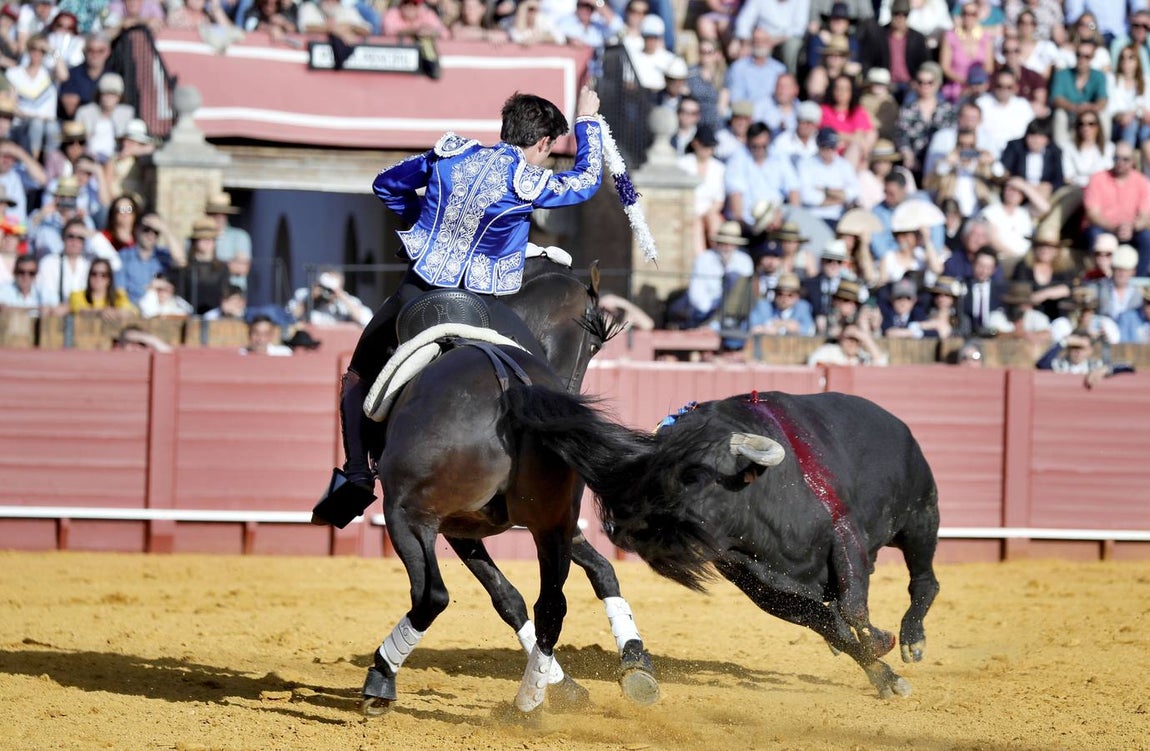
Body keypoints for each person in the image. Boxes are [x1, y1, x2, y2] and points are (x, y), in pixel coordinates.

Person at [318, 87, 605, 516]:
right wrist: (588, 123)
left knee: (359, 375)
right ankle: (552, 472)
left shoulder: (450, 155)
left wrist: (424, 228)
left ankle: (358, 472)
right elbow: (586, 182)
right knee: (541, 376)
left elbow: (385, 183)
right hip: (479, 301)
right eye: (548, 150)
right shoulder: (525, 178)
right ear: (543, 143)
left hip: (418, 291)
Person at [1082, 140, 1150, 276]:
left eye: (1125, 159)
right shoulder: (1097, 179)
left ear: (1132, 161)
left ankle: (1139, 281)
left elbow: (1145, 216)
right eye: (1116, 158)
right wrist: (1114, 227)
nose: (1120, 162)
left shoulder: (1142, 182)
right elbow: (1093, 214)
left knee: (1147, 238)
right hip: (1104, 227)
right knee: (1095, 234)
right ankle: (1099, 277)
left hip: (1131, 229)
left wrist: (1132, 227)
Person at [672, 219, 754, 330]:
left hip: (731, 313)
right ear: (718, 243)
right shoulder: (704, 259)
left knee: (734, 278)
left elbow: (743, 293)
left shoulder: (745, 261)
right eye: (724, 243)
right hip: (705, 311)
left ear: (736, 245)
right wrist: (710, 309)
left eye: (731, 243)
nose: (727, 247)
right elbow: (696, 292)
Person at [115, 211, 185, 306]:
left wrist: (165, 229)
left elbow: (181, 262)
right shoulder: (123, 256)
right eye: (146, 230)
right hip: (132, 313)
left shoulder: (164, 255)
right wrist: (149, 288)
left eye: (156, 231)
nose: (151, 235)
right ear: (137, 230)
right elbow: (119, 291)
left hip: (162, 312)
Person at [675, 124, 725, 254]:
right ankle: (701, 260)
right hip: (687, 210)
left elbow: (719, 200)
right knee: (696, 224)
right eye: (705, 145)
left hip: (709, 212)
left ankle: (718, 256)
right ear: (695, 143)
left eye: (710, 146)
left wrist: (707, 214)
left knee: (714, 220)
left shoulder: (719, 168)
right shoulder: (682, 164)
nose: (708, 149)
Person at [798, 127, 860, 227]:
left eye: (833, 147)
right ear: (818, 146)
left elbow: (854, 191)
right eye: (825, 147)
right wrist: (840, 198)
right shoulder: (806, 164)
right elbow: (807, 196)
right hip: (814, 218)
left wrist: (825, 190)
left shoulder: (844, 165)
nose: (830, 151)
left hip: (839, 218)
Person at [73, 72, 134, 164]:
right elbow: (75, 142)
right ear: (100, 94)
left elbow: (133, 141)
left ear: (120, 96)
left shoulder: (127, 113)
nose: (109, 98)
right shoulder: (85, 112)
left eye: (113, 94)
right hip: (89, 157)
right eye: (106, 93)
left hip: (115, 158)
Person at [288, 267, 373, 326]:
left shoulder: (347, 300)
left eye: (330, 289)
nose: (327, 292)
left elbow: (366, 320)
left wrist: (340, 295)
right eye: (324, 287)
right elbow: (288, 318)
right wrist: (309, 298)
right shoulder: (303, 295)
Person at [57, 32, 112, 122]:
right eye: (91, 50)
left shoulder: (112, 76)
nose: (95, 54)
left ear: (108, 52)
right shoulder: (73, 74)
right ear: (85, 51)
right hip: (77, 125)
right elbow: (71, 110)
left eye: (101, 50)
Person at [204, 191, 252, 291]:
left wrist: (208, 266)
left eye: (222, 213)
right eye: (214, 213)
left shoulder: (239, 236)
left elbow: (242, 268)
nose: (218, 217)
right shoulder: (195, 240)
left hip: (231, 295)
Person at [748, 271, 815, 337]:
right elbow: (754, 329)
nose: (784, 298)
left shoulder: (803, 307)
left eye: (790, 295)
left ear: (797, 296)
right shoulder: (763, 306)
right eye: (780, 294)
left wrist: (778, 325)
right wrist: (786, 325)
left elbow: (810, 330)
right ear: (774, 294)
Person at [68, 256, 136, 320]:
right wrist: (99, 313)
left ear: (109, 279)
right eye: (94, 274)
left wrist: (115, 313)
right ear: (89, 276)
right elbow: (80, 311)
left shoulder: (118, 295)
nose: (98, 278)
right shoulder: (77, 295)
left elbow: (133, 312)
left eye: (103, 275)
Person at [807, 321, 888, 365]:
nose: (852, 343)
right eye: (848, 338)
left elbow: (881, 363)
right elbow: (813, 361)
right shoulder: (830, 350)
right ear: (841, 339)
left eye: (856, 339)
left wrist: (865, 338)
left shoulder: (862, 356)